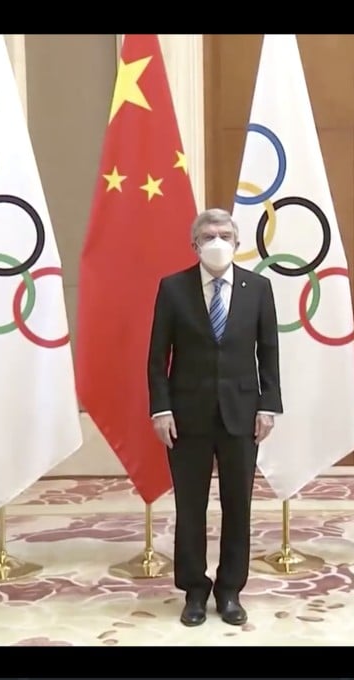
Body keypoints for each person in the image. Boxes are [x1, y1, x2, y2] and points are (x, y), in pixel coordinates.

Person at [147, 208, 282, 627]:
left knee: (237, 505)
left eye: (225, 234)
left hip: (242, 413)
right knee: (191, 506)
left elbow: (269, 352)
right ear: (195, 244)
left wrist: (269, 405)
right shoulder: (173, 288)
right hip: (187, 415)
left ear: (237, 242)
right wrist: (161, 409)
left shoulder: (258, 288)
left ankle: (229, 590)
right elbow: (156, 358)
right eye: (208, 235)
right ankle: (193, 589)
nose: (217, 241)